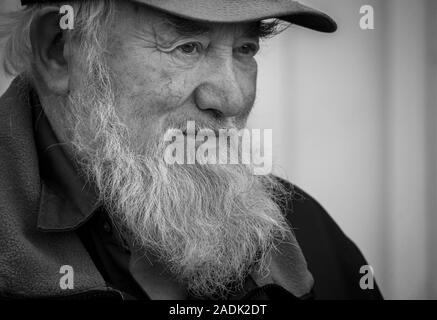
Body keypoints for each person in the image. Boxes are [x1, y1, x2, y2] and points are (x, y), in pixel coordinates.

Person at [0, 0, 383, 300]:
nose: (233, 98)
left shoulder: (309, 234)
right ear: (59, 49)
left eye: (245, 48)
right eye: (187, 47)